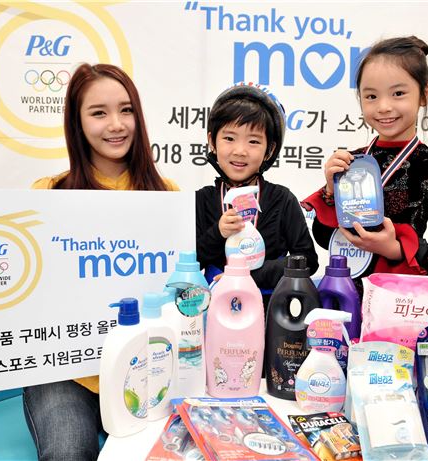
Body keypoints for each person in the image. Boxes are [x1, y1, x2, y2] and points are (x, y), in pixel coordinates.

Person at [24, 63, 178, 460]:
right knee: (68, 452)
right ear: (77, 123)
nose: (116, 124)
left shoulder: (167, 195)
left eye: (126, 110)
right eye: (98, 113)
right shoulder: (49, 193)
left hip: (146, 367)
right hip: (66, 373)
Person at [301, 36, 428, 294]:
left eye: (398, 93)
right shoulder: (351, 163)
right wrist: (330, 192)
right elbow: (326, 240)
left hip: (401, 300)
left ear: (424, 94)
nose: (383, 107)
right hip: (346, 293)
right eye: (371, 96)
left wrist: (397, 249)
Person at [195, 83, 319, 307]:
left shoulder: (282, 199)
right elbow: (190, 260)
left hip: (271, 308)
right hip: (212, 306)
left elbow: (308, 260)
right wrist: (218, 233)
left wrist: (251, 276)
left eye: (253, 141)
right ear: (212, 141)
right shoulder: (202, 200)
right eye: (229, 138)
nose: (240, 151)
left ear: (269, 150)